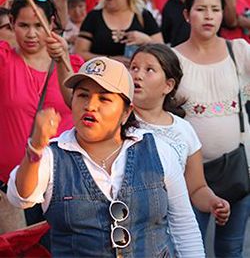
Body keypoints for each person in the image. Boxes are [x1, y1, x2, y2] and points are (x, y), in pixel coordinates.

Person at [7, 56, 205, 258]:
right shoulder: (52, 155)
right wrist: (36, 149)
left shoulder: (158, 150)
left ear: (126, 112)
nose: (90, 106)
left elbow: (184, 226)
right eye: (83, 95)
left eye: (104, 98)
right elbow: (21, 197)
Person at [173, 0, 250, 257]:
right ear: (187, 15)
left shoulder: (238, 51)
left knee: (231, 247)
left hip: (238, 169)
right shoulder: (172, 59)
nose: (209, 16)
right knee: (190, 248)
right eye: (201, 9)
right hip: (188, 175)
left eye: (215, 9)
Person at [0, 0, 83, 233]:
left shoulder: (72, 64)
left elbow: (75, 103)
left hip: (64, 186)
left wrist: (62, 58)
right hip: (12, 188)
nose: (32, 34)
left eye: (39, 24)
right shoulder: (4, 59)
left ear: (52, 24)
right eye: (23, 25)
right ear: (12, 23)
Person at [129, 43, 230, 225]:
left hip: (172, 229)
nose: (137, 74)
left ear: (168, 85)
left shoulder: (184, 130)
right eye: (134, 67)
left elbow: (197, 188)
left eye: (149, 69)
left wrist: (214, 202)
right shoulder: (118, 122)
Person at [75, 0, 163, 65]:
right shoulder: (93, 17)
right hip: (101, 77)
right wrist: (110, 60)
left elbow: (163, 51)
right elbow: (80, 53)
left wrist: (146, 40)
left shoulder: (143, 16)